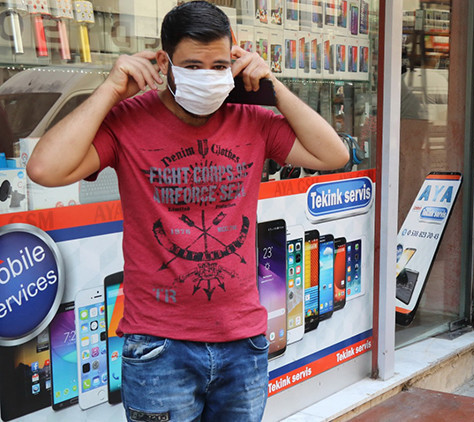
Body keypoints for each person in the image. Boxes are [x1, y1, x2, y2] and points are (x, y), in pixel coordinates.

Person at [26, 2, 349, 421]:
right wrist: (109, 90)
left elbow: (333, 155)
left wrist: (273, 86)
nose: (208, 76)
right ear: (164, 63)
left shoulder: (251, 120)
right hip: (159, 348)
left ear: (235, 60)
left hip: (243, 342)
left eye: (219, 66)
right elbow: (44, 169)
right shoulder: (128, 121)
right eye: (193, 66)